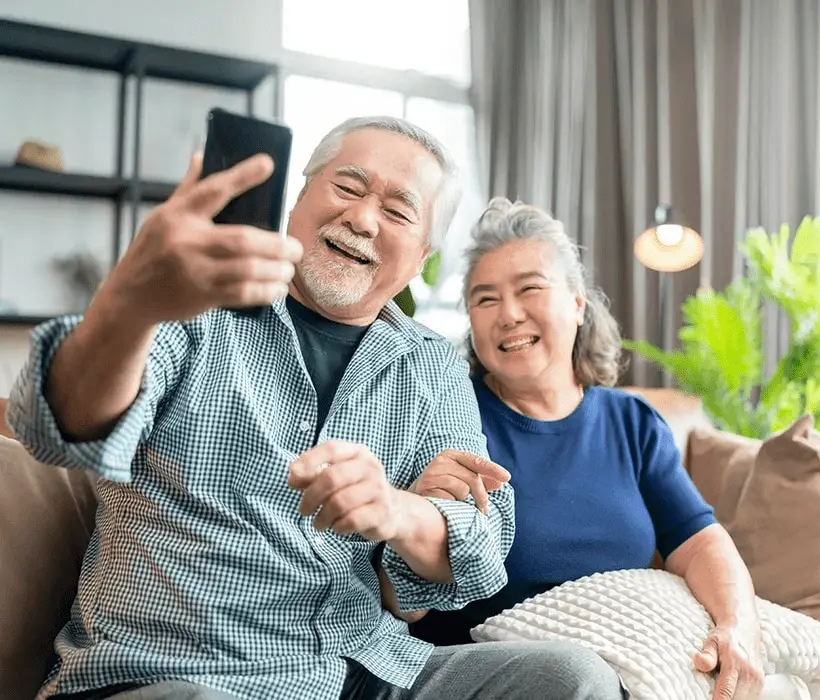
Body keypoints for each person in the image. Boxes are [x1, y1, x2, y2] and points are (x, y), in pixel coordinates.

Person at [7, 120, 625, 700]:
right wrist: (132, 303)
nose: (361, 218)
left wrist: (397, 509)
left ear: (421, 258)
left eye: (397, 210)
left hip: (362, 669)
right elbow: (59, 426)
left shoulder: (430, 365)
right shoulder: (198, 303)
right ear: (297, 203)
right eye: (346, 188)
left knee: (570, 677)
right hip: (182, 669)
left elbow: (481, 553)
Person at [400, 198, 767, 700]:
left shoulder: (631, 423)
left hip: (617, 671)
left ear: (577, 302)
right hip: (490, 675)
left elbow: (700, 541)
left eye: (529, 288)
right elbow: (403, 598)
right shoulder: (449, 417)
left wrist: (737, 627)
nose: (508, 314)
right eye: (485, 300)